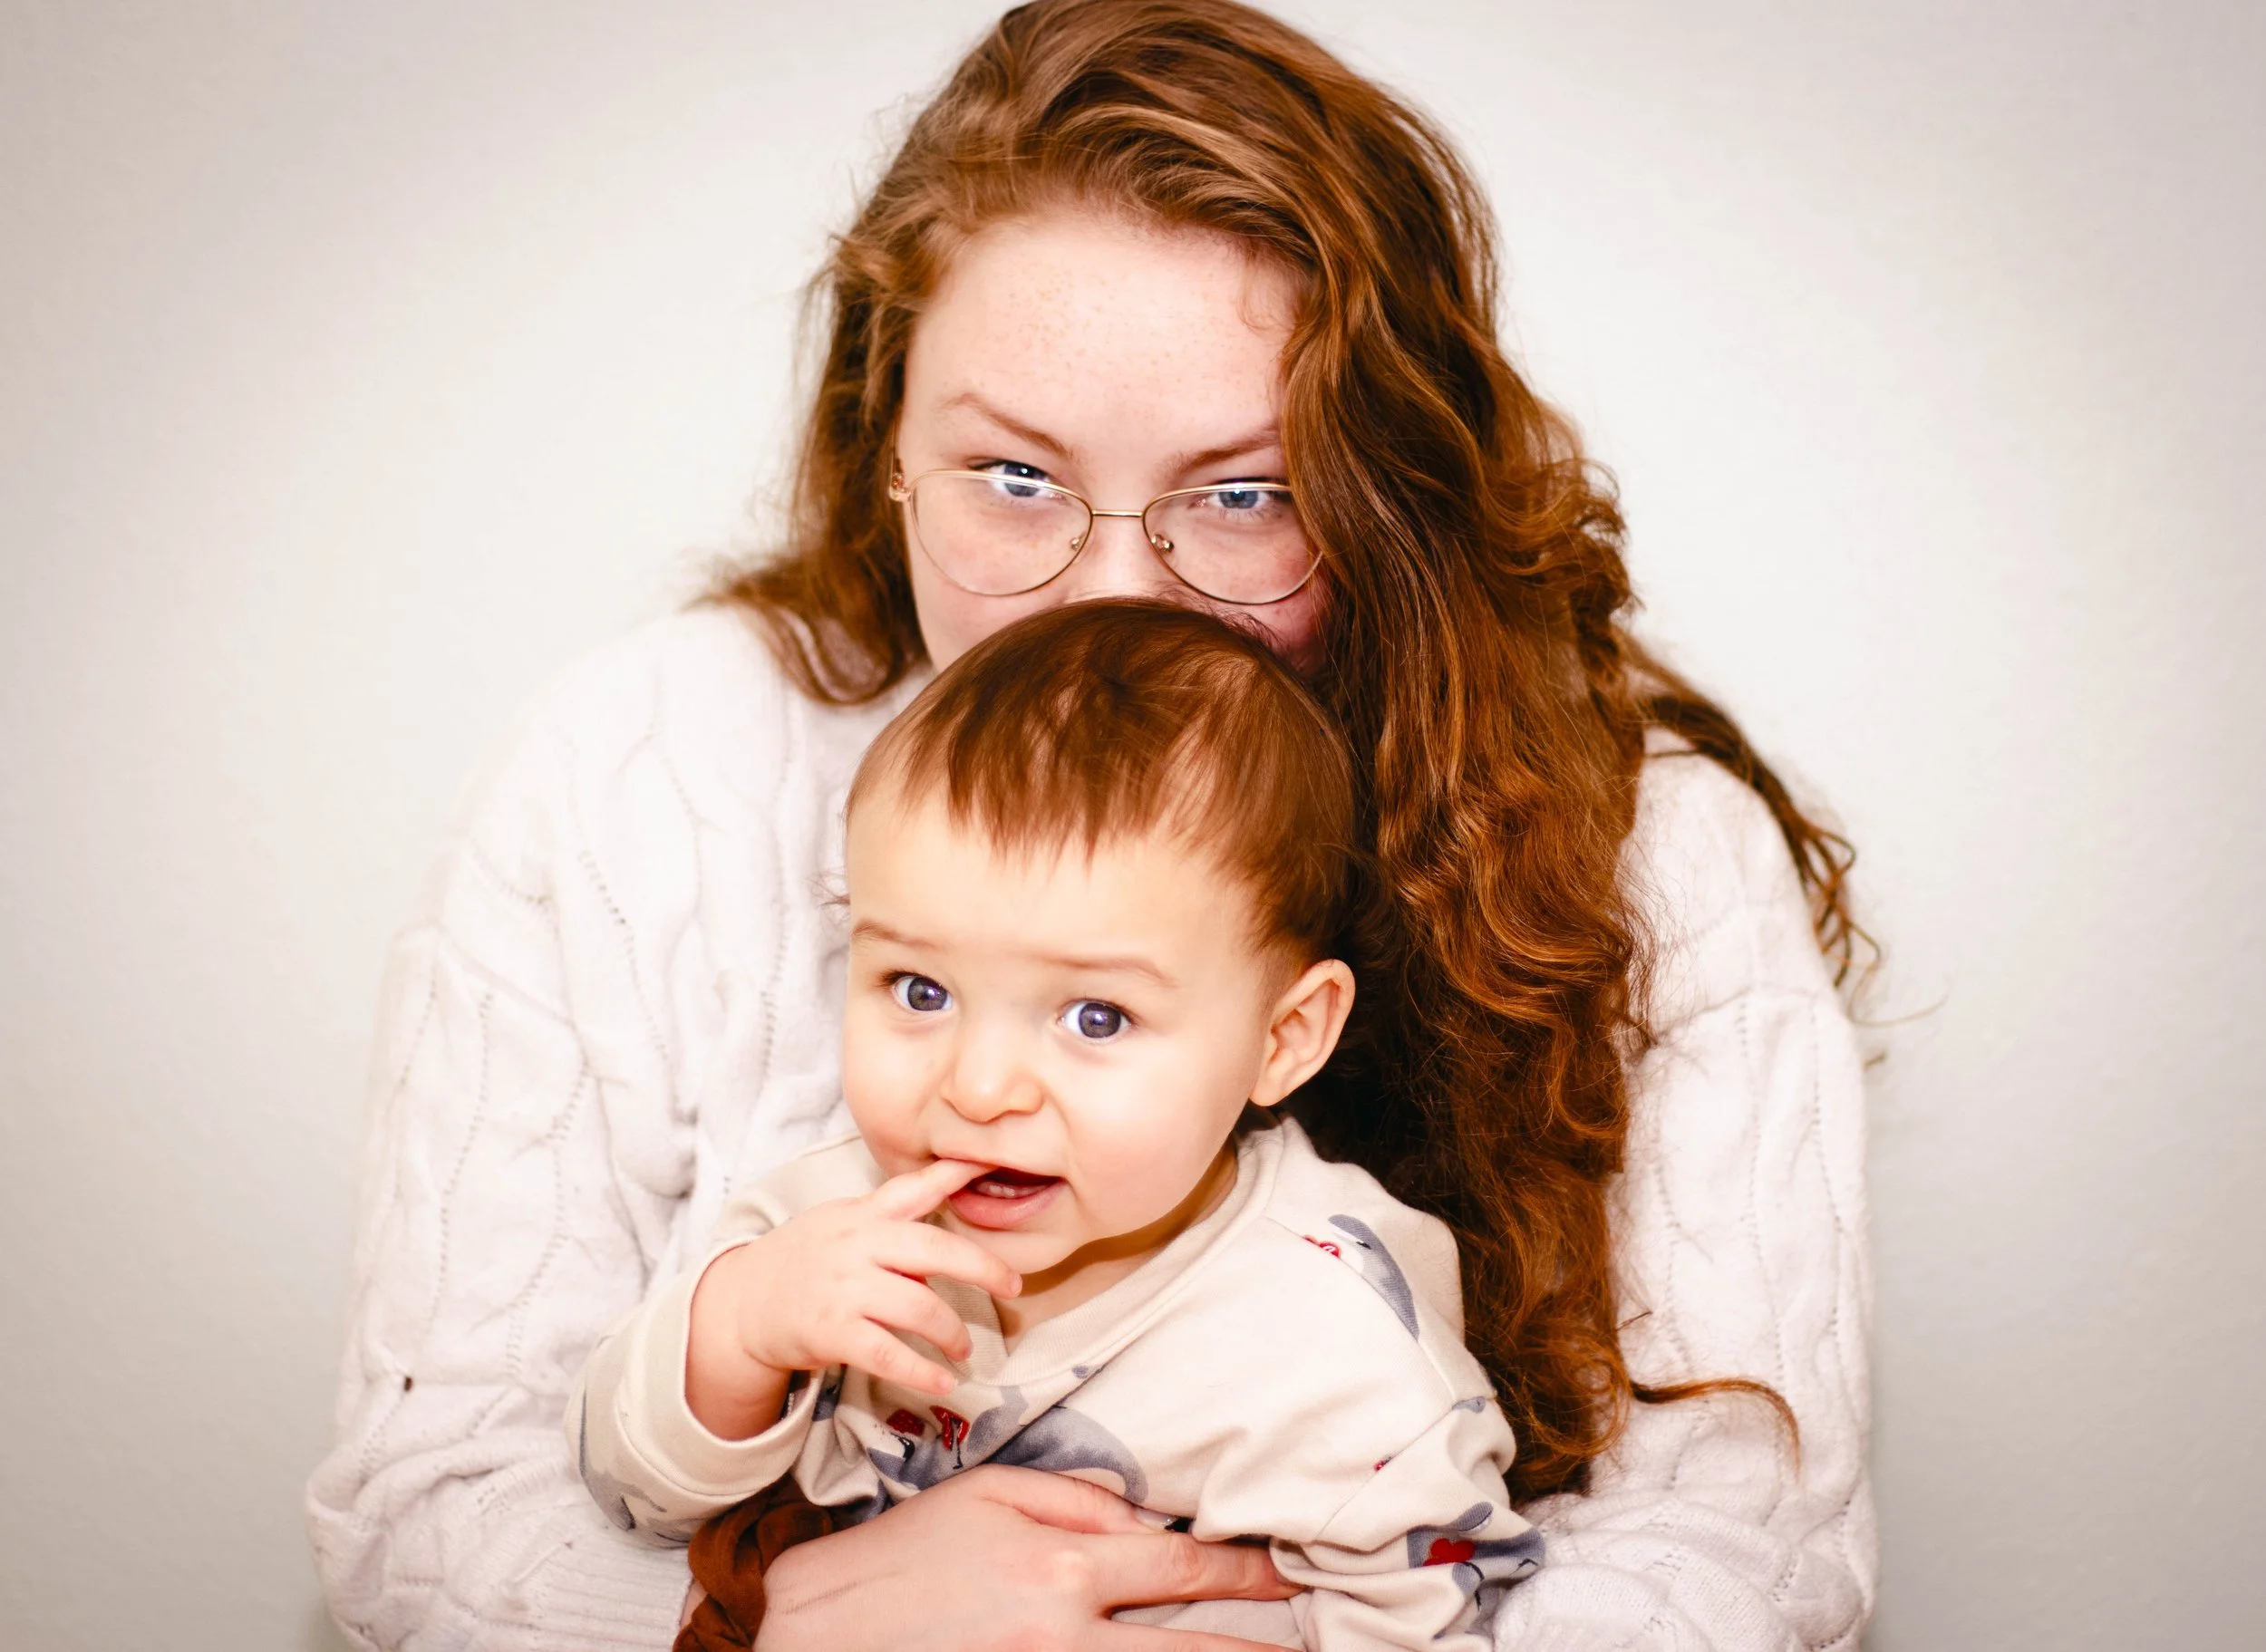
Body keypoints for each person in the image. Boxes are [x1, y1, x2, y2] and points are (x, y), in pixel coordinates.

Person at [308, 3, 1874, 1648]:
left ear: (1382, 505)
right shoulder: (639, 768)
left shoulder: (1649, 859)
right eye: (1013, 477)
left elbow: (1739, 1558)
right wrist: (772, 1624)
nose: (1115, 596)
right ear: (887, 449)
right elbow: (437, 1511)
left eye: (1245, 495)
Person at [570, 600, 1542, 1651]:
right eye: (920, 988)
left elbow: (1429, 1622)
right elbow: (630, 1495)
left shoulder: (1336, 1348)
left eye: (1096, 1016)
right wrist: (736, 1332)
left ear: (1283, 1036)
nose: (980, 1086)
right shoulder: (836, 1218)